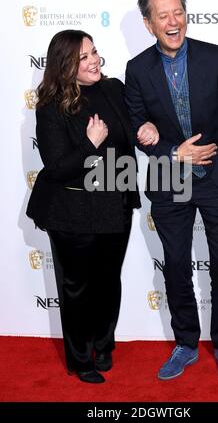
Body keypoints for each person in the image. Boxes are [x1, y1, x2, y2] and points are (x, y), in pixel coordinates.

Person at [125, 0, 218, 384]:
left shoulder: (216, 59)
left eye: (178, 12)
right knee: (177, 265)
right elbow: (135, 125)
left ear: (186, 13)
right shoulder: (138, 69)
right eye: (162, 15)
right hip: (171, 180)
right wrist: (170, 151)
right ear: (149, 24)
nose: (172, 21)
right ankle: (185, 343)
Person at [26, 29, 155, 384]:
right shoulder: (51, 106)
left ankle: (103, 344)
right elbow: (57, 166)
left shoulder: (113, 88)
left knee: (107, 281)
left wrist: (145, 127)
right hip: (71, 210)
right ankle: (81, 358)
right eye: (83, 57)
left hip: (114, 202)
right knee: (77, 286)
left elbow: (133, 128)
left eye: (94, 52)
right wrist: (89, 143)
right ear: (66, 65)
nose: (94, 60)